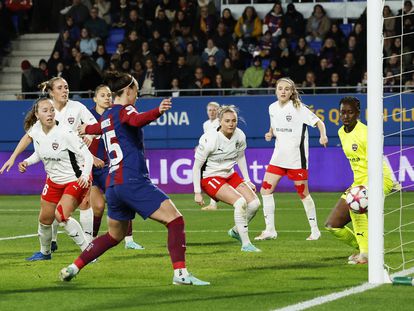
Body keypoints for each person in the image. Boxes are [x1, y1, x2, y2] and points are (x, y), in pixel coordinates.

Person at [60, 71, 209, 286]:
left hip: (113, 186)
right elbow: (137, 119)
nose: (137, 96)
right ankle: (181, 274)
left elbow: (96, 128)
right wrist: (157, 111)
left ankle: (74, 267)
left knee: (113, 236)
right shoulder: (125, 109)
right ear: (128, 90)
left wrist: (85, 128)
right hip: (132, 180)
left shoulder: (107, 115)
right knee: (176, 221)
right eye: (136, 91)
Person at [0, 77, 98, 252]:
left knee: (77, 207)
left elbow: (94, 127)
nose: (65, 90)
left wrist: (89, 136)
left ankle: (89, 246)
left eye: (67, 87)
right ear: (51, 92)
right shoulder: (42, 118)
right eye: (60, 87)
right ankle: (50, 244)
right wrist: (18, 158)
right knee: (48, 214)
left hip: (78, 167)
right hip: (56, 168)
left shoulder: (76, 109)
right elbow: (34, 142)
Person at [325, 96, 398, 264]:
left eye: (350, 112)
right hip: (359, 181)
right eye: (342, 112)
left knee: (355, 204)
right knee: (333, 225)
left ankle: (365, 255)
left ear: (358, 114)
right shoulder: (341, 132)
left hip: (378, 178)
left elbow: (379, 159)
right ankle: (366, 248)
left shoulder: (366, 133)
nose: (345, 116)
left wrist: (386, 183)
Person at [18, 97, 93, 261]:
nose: (50, 113)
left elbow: (88, 156)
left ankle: (89, 253)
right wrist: (26, 162)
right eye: (45, 111)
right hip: (53, 181)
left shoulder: (66, 133)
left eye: (52, 110)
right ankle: (45, 253)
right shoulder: (36, 129)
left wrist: (86, 175)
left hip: (75, 178)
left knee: (61, 215)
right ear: (37, 114)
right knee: (45, 219)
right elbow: (39, 153)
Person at [255, 77, 328, 241]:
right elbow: (274, 125)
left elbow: (319, 123)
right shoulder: (272, 107)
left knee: (303, 194)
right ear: (275, 90)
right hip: (278, 158)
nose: (283, 91)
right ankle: (270, 230)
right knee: (265, 190)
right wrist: (270, 133)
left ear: (291, 92)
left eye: (286, 89)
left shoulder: (298, 108)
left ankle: (315, 230)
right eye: (280, 88)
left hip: (296, 159)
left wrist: (322, 136)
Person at [193, 105, 261, 252]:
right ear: (220, 122)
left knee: (255, 203)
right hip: (210, 178)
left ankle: (236, 231)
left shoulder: (240, 135)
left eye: (234, 120)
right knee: (240, 202)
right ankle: (246, 244)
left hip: (230, 175)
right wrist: (197, 192)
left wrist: (247, 179)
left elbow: (240, 156)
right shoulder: (209, 139)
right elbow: (196, 166)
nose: (231, 124)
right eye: (227, 121)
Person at [88, 84, 144, 250]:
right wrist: (91, 157)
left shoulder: (114, 113)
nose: (107, 98)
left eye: (108, 95)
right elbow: (75, 140)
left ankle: (129, 240)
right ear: (95, 98)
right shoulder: (87, 115)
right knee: (97, 207)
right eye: (103, 95)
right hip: (89, 169)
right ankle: (92, 240)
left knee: (124, 198)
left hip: (108, 167)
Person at [200, 101, 220, 211]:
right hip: (209, 153)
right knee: (212, 177)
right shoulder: (206, 124)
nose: (212, 112)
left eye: (214, 110)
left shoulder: (220, 122)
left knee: (215, 176)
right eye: (210, 110)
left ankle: (213, 204)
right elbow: (205, 138)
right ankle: (213, 203)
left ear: (218, 111)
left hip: (218, 153)